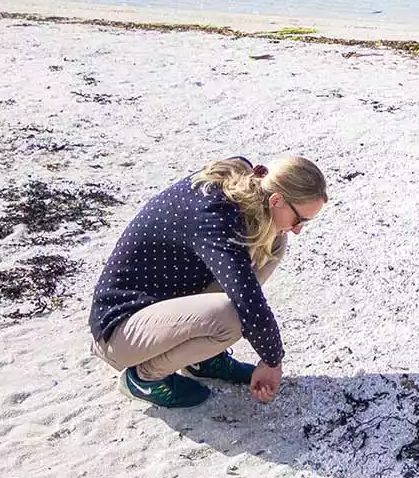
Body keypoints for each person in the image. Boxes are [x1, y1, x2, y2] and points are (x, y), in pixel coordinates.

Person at [88, 155, 328, 408]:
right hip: (120, 329)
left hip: (163, 303)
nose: (299, 229)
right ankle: (144, 378)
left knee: (274, 241)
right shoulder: (215, 216)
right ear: (276, 200)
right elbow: (248, 301)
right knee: (231, 317)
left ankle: (202, 358)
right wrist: (272, 361)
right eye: (299, 220)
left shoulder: (245, 183)